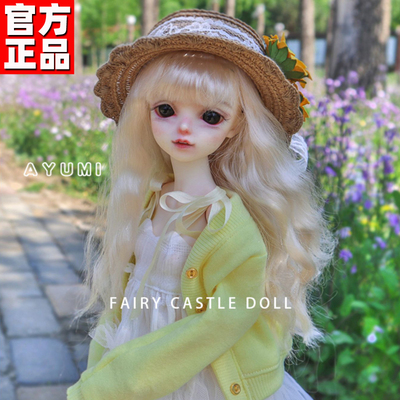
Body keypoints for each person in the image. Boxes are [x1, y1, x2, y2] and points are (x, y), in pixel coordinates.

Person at [67, 9, 334, 400]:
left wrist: (115, 382)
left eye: (210, 116)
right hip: (133, 357)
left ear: (236, 125)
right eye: (165, 110)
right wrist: (98, 371)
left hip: (196, 376)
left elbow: (221, 323)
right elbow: (121, 303)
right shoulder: (150, 200)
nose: (184, 128)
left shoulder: (225, 224)